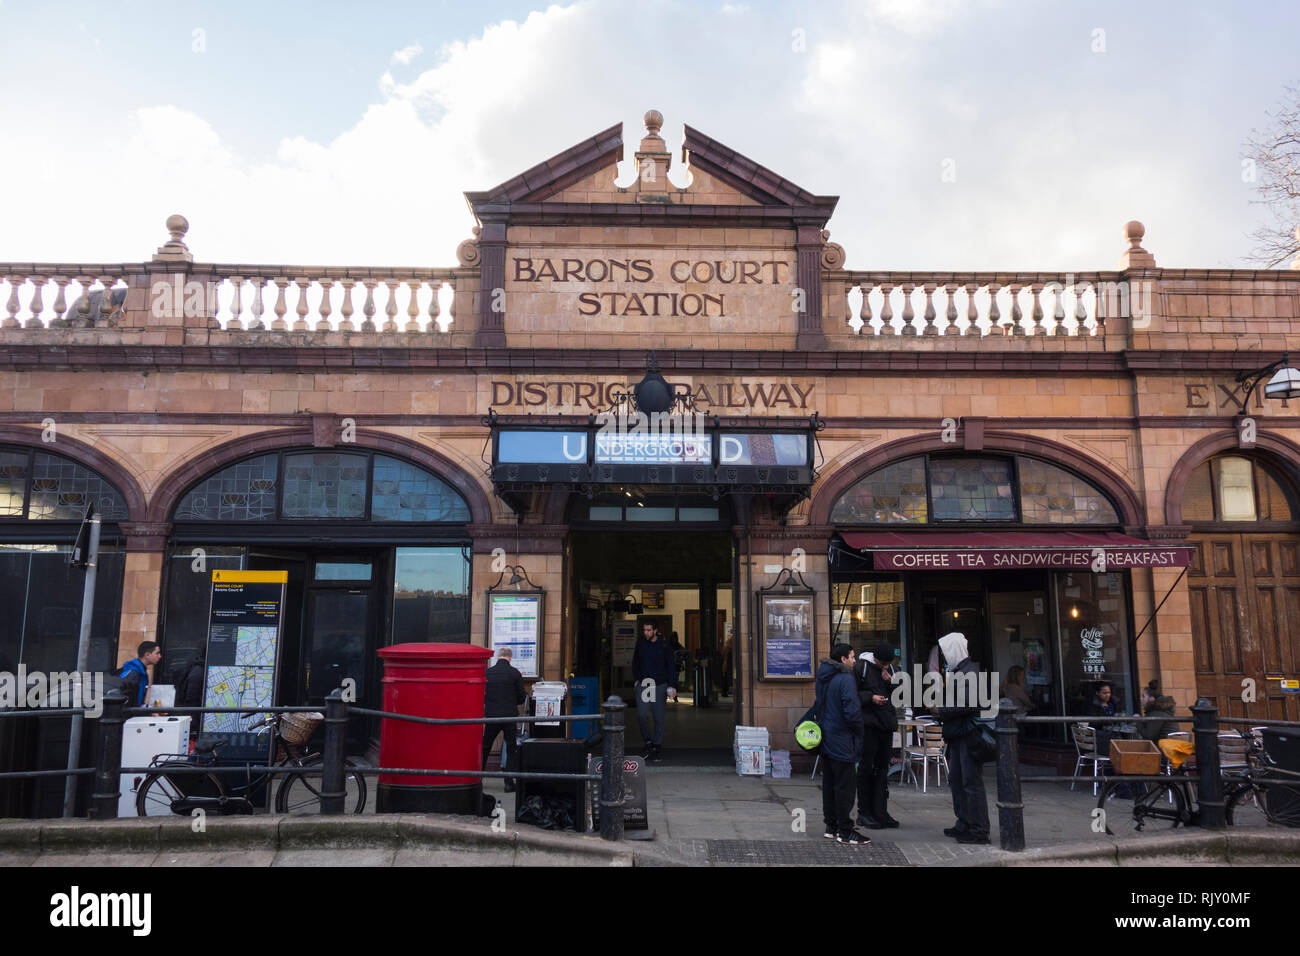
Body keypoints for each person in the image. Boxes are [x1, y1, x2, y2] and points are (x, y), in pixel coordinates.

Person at [935, 632, 990, 845]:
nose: (943, 656)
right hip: (958, 734)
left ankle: (978, 829)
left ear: (953, 650)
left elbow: (967, 703)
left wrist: (941, 709)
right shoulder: (960, 671)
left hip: (968, 734)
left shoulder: (970, 672)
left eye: (945, 651)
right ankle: (964, 822)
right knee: (956, 780)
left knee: (971, 782)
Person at [815, 642, 869, 845]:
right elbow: (852, 711)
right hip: (842, 739)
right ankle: (846, 830)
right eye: (853, 657)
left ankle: (831, 826)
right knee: (845, 787)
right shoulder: (846, 679)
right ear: (843, 660)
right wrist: (859, 731)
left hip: (827, 738)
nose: (855, 660)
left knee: (829, 784)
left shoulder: (824, 677)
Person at [855, 642, 900, 830]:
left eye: (887, 663)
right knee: (866, 768)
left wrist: (891, 682)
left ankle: (881, 811)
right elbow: (852, 694)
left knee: (882, 769)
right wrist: (870, 698)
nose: (884, 666)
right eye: (882, 663)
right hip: (869, 725)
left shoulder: (891, 669)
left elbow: (900, 695)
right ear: (875, 657)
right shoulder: (861, 667)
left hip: (886, 725)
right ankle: (864, 812)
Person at [482, 647, 526, 792]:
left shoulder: (488, 673)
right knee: (511, 748)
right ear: (510, 658)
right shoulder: (514, 673)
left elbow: (483, 695)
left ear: (498, 657)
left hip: (492, 717)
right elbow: (521, 698)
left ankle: (477, 777)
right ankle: (508, 782)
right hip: (509, 716)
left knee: (485, 747)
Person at [632, 622, 676, 761]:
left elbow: (671, 666)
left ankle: (657, 745)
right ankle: (647, 741)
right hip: (645, 683)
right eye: (644, 630)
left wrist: (672, 686)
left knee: (659, 717)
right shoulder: (640, 643)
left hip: (660, 684)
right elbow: (635, 662)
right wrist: (637, 678)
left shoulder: (664, 645)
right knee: (642, 715)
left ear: (655, 630)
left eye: (649, 630)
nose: (645, 632)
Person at [117, 640, 161, 709]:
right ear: (147, 655)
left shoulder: (141, 672)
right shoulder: (133, 673)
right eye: (157, 653)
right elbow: (125, 701)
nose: (160, 656)